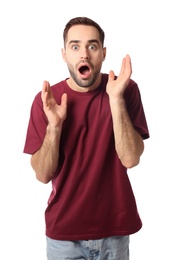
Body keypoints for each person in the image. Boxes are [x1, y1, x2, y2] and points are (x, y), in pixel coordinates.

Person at [23, 16, 149, 260]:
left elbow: (131, 159)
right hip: (64, 236)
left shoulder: (125, 89)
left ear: (102, 53)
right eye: (75, 46)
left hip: (115, 230)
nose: (84, 54)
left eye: (92, 46)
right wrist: (54, 127)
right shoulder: (47, 100)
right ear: (64, 54)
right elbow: (42, 174)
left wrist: (116, 100)